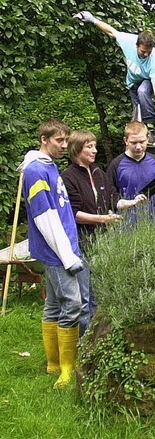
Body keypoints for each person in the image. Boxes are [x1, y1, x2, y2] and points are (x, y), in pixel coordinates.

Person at [19, 119, 84, 388]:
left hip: (61, 248)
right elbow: (44, 217)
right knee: (73, 303)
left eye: (66, 141)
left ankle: (53, 363)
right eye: (60, 141)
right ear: (44, 140)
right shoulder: (35, 171)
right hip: (57, 252)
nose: (64, 146)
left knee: (54, 305)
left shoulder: (49, 166)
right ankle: (67, 371)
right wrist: (67, 255)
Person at [61, 130, 146, 336]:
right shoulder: (67, 177)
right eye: (89, 146)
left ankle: (97, 342)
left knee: (100, 293)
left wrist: (132, 202)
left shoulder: (98, 172)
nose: (95, 150)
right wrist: (103, 219)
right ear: (76, 149)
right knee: (84, 298)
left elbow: (113, 200)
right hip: (81, 242)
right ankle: (82, 344)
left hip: (103, 241)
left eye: (94, 146)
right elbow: (73, 214)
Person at [73, 11, 155, 126]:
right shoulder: (128, 41)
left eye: (149, 52)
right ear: (136, 45)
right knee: (137, 114)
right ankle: (144, 131)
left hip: (148, 82)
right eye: (143, 51)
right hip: (132, 82)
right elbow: (111, 31)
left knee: (142, 91)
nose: (146, 54)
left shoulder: (154, 60)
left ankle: (151, 123)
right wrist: (93, 20)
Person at [106, 121, 155, 223]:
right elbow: (109, 197)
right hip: (125, 225)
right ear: (126, 141)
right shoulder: (116, 165)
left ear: (148, 139)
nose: (138, 147)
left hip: (152, 223)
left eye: (142, 142)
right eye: (134, 143)